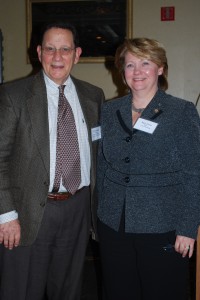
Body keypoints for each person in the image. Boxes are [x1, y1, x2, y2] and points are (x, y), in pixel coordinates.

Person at [0, 21, 105, 300]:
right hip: (28, 212)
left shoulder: (94, 96)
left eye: (65, 49)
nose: (57, 57)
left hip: (78, 208)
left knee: (68, 289)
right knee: (22, 291)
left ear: (77, 53)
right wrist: (6, 215)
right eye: (50, 49)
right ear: (39, 52)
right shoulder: (14, 96)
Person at [97, 37, 200, 300]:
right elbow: (102, 166)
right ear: (122, 72)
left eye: (146, 63)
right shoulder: (109, 111)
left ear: (161, 68)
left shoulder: (181, 112)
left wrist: (188, 228)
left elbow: (194, 173)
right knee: (119, 292)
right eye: (130, 65)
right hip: (113, 225)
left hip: (162, 225)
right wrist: (98, 214)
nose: (138, 71)